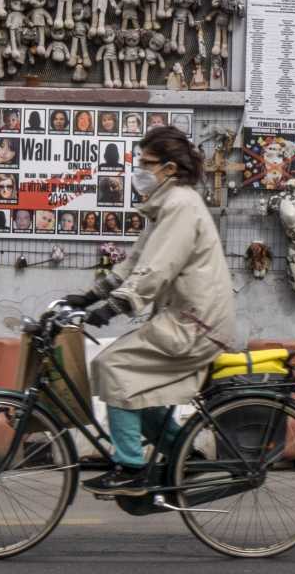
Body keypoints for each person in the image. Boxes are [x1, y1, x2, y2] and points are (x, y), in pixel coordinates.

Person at [64, 126, 235, 496]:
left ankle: (130, 468)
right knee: (134, 386)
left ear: (169, 168)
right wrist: (88, 297)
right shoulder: (167, 205)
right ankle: (181, 453)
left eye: (146, 163)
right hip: (187, 318)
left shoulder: (181, 206)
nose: (138, 170)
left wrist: (111, 309)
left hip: (196, 324)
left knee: (114, 367)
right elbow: (135, 264)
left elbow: (157, 270)